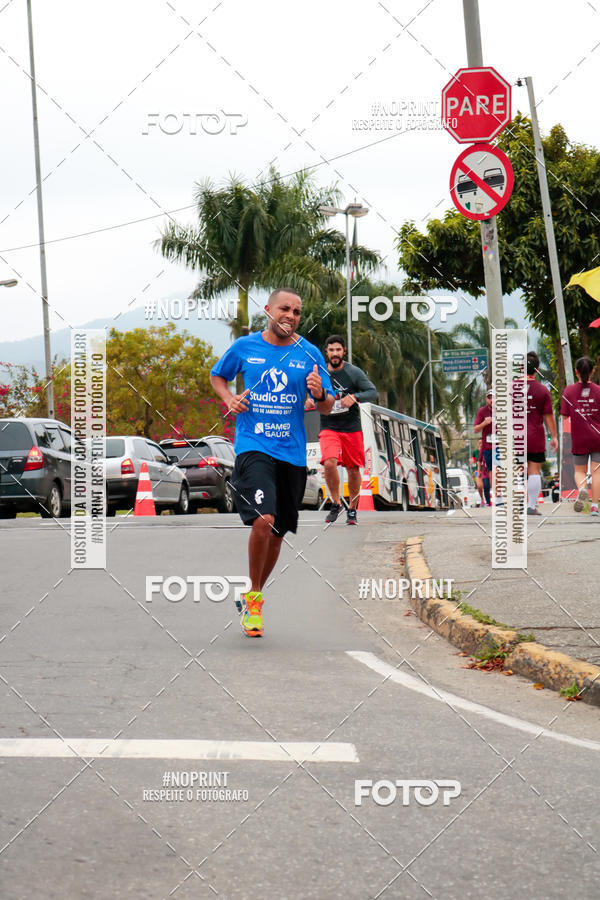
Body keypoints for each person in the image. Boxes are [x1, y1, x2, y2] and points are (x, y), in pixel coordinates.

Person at [210, 288, 334, 636]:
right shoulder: (245, 347)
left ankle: (254, 593)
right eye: (285, 308)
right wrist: (229, 398)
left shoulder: (308, 353)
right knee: (263, 520)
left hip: (291, 453)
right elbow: (217, 375)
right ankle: (254, 601)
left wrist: (320, 393)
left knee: (279, 531)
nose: (291, 315)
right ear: (268, 310)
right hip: (253, 446)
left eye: (296, 311)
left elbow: (325, 406)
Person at [315, 334, 378, 525]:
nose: (335, 354)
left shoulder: (353, 372)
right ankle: (336, 504)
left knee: (352, 469)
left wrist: (355, 397)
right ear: (326, 352)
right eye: (331, 350)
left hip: (351, 427)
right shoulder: (320, 373)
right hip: (329, 426)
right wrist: (310, 398)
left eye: (338, 350)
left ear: (344, 351)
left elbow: (372, 392)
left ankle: (352, 509)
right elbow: (307, 390)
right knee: (329, 463)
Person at [560, 356, 600, 517]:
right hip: (597, 437)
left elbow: (564, 417)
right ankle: (595, 507)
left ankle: (583, 489)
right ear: (592, 371)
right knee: (597, 472)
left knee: (579, 470)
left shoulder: (569, 391)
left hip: (579, 437)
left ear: (576, 372)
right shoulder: (598, 391)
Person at [526, 350, 558, 515]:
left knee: (515, 470)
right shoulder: (542, 390)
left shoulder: (510, 389)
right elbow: (548, 416)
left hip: (514, 437)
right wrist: (554, 436)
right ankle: (531, 506)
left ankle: (514, 505)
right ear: (537, 370)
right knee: (534, 471)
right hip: (535, 437)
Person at [473, 389, 501, 504]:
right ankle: (496, 496)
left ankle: (500, 496)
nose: (492, 400)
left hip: (500, 446)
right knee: (492, 473)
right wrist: (485, 423)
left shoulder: (502, 410)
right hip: (487, 447)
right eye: (489, 398)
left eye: (493, 397)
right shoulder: (482, 411)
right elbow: (475, 429)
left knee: (498, 471)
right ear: (486, 399)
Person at [475, 438, 491, 506]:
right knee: (485, 486)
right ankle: (487, 502)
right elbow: (479, 461)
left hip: (492, 470)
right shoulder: (480, 450)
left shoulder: (492, 448)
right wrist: (478, 471)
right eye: (480, 443)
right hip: (484, 472)